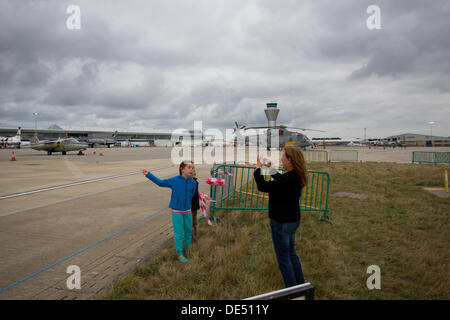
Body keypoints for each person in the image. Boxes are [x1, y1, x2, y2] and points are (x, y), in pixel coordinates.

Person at [253, 146, 308, 287]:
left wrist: (258, 169)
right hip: (292, 220)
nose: (281, 158)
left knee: (284, 258)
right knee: (291, 253)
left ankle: (293, 291)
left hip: (282, 222)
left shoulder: (288, 179)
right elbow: (281, 180)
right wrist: (270, 169)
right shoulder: (296, 175)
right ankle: (300, 286)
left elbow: (263, 186)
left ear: (290, 160)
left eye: (283, 156)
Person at [142, 161, 197, 263]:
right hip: (177, 210)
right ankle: (180, 254)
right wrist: (148, 175)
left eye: (192, 168)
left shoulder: (193, 182)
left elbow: (192, 194)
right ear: (182, 169)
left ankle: (188, 250)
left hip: (187, 210)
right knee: (179, 233)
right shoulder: (174, 180)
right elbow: (161, 183)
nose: (191, 170)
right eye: (189, 167)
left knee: (188, 231)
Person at [191, 165, 200, 242]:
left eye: (194, 169)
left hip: (194, 206)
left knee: (194, 223)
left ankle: (195, 238)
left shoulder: (194, 181)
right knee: (190, 224)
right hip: (190, 208)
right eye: (192, 169)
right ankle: (191, 239)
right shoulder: (191, 182)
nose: (194, 171)